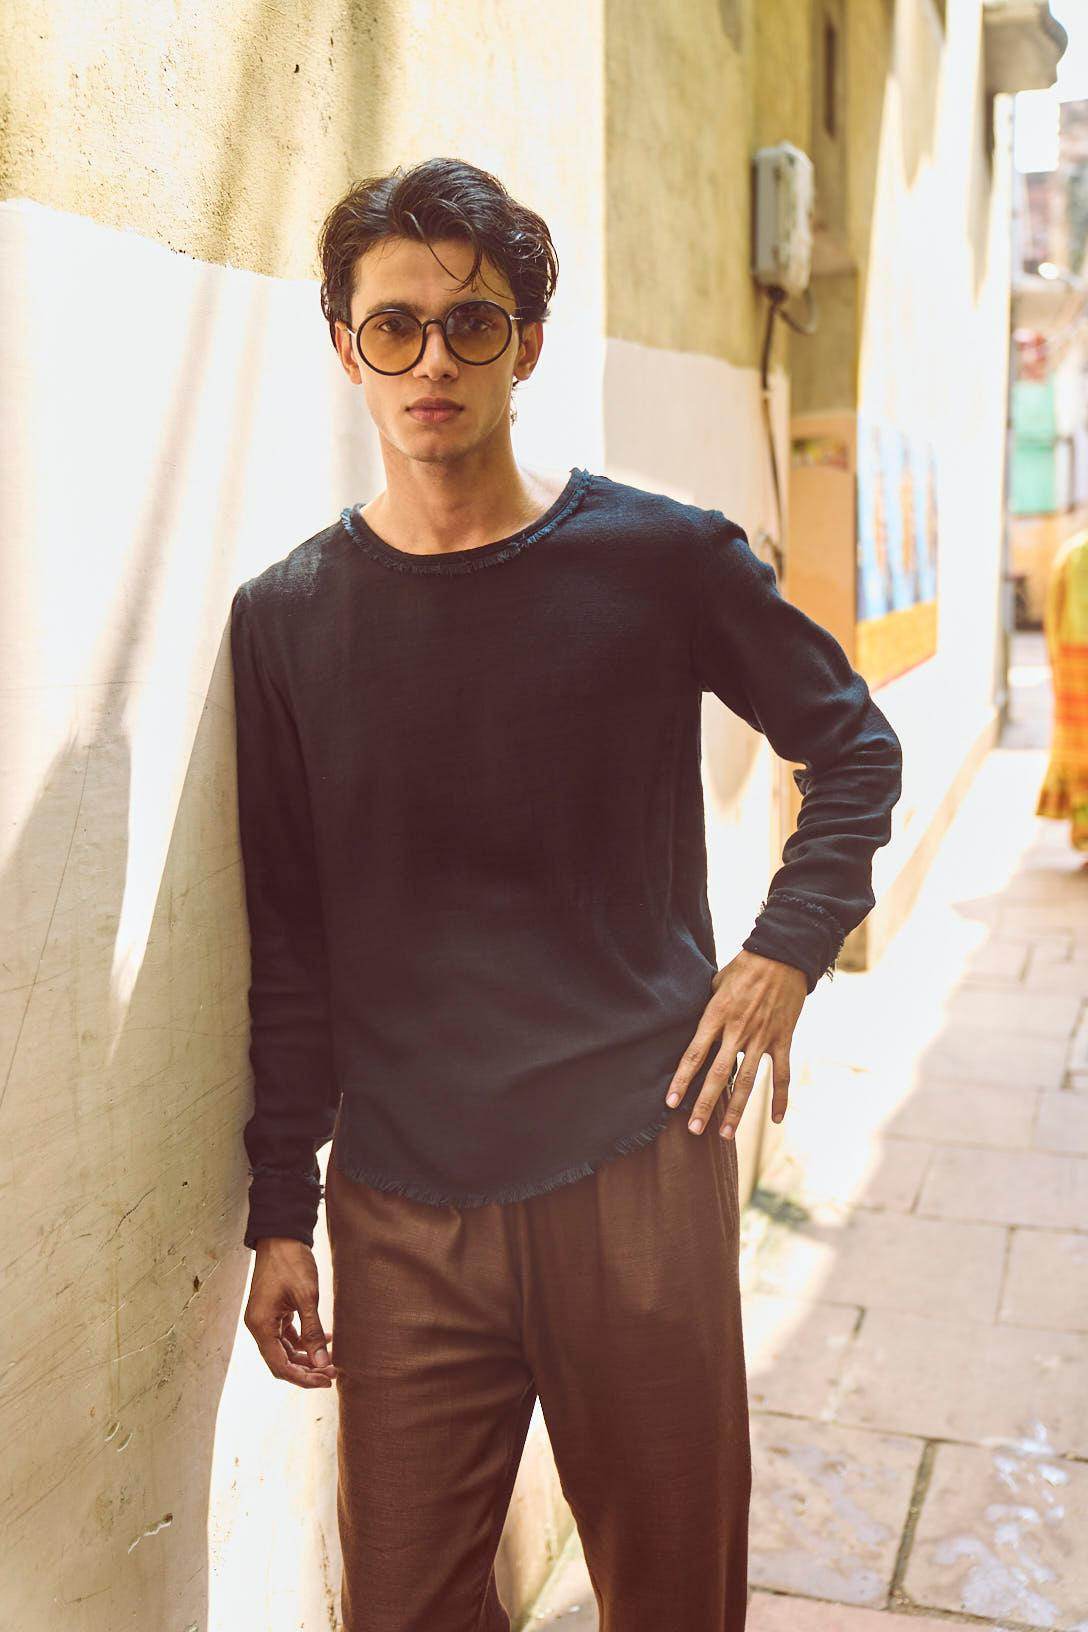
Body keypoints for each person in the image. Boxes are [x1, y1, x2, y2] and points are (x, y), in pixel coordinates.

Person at [229, 155, 904, 1631]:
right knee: (402, 1607)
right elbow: (289, 935)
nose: (431, 360)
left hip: (631, 1165)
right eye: (393, 325)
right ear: (344, 346)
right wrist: (283, 1206)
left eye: (471, 323)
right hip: (402, 1201)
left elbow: (852, 747)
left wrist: (784, 951)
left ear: (525, 344)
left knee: (673, 1598)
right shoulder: (286, 620)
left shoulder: (659, 562)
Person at [1036, 524, 1088, 852]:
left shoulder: (1072, 554)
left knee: (1081, 753)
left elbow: (1052, 620)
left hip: (1074, 666)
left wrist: (1057, 669)